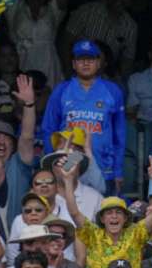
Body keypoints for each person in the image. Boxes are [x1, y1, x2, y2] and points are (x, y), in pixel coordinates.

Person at [40, 40, 126, 191]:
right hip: (69, 161)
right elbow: (48, 129)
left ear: (98, 63)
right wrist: (52, 165)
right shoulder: (62, 90)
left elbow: (119, 136)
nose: (86, 63)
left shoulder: (112, 91)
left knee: (101, 204)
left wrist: (118, 170)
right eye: (80, 59)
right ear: (74, 64)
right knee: (69, 201)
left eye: (90, 59)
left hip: (103, 164)